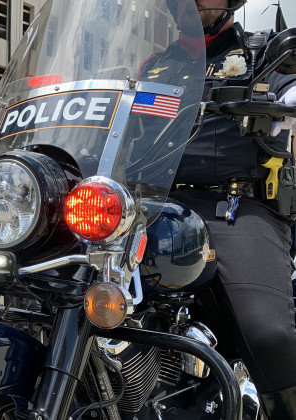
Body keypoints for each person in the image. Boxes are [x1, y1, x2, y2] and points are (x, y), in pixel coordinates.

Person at [145, 0, 296, 418]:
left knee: (269, 335)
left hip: (233, 205)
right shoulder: (154, 66)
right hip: (158, 206)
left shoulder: (263, 54)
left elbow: (288, 90)